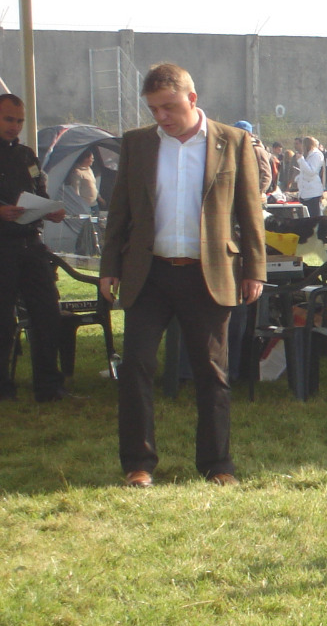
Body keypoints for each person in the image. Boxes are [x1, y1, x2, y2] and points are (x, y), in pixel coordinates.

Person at [99, 63, 266, 487]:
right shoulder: (137, 143)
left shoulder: (233, 141)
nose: (162, 117)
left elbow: (249, 211)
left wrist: (255, 269)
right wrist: (109, 267)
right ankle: (138, 464)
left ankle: (217, 465)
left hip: (208, 273)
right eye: (154, 109)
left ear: (192, 99)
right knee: (135, 366)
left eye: (169, 107)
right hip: (148, 273)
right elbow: (119, 211)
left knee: (212, 372)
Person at [0, 94, 72, 403]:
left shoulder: (27, 155)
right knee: (3, 321)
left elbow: (39, 191)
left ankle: (49, 385)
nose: (15, 126)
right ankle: (3, 388)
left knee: (47, 314)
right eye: (9, 119)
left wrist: (50, 210)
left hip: (31, 243)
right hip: (3, 246)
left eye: (20, 121)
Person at [232, 120, 273, 203]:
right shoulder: (236, 149)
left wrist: (256, 193)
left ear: (249, 134)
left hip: (255, 200)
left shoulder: (257, 150)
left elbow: (266, 175)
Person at [294, 135, 326, 218]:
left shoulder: (316, 155)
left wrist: (301, 160)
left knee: (315, 218)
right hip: (305, 192)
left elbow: (312, 172)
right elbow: (305, 171)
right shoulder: (308, 155)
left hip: (313, 193)